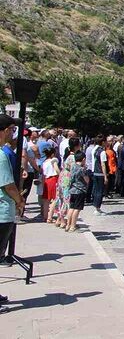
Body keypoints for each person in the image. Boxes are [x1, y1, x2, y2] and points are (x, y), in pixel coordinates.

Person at [0, 116, 25, 312]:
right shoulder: (1, 156)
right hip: (2, 212)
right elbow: (8, 185)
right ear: (5, 130)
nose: (13, 133)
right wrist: (20, 201)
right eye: (12, 129)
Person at [66, 152, 90, 232]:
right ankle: (73, 226)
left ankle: (68, 225)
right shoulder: (81, 169)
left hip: (72, 189)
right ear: (83, 159)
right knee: (77, 209)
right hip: (80, 190)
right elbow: (86, 180)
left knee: (71, 208)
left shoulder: (73, 166)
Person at [89, 137, 109, 216]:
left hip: (95, 172)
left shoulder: (94, 150)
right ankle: (97, 207)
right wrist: (105, 176)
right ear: (103, 142)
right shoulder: (102, 152)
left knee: (96, 190)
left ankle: (96, 207)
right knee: (100, 191)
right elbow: (103, 164)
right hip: (100, 173)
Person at [41, 147, 60, 224]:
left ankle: (45, 216)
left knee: (46, 200)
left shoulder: (44, 162)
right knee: (54, 199)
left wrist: (43, 184)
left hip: (46, 180)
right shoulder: (54, 160)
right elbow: (56, 169)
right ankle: (50, 217)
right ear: (52, 154)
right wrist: (61, 174)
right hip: (53, 179)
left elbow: (43, 174)